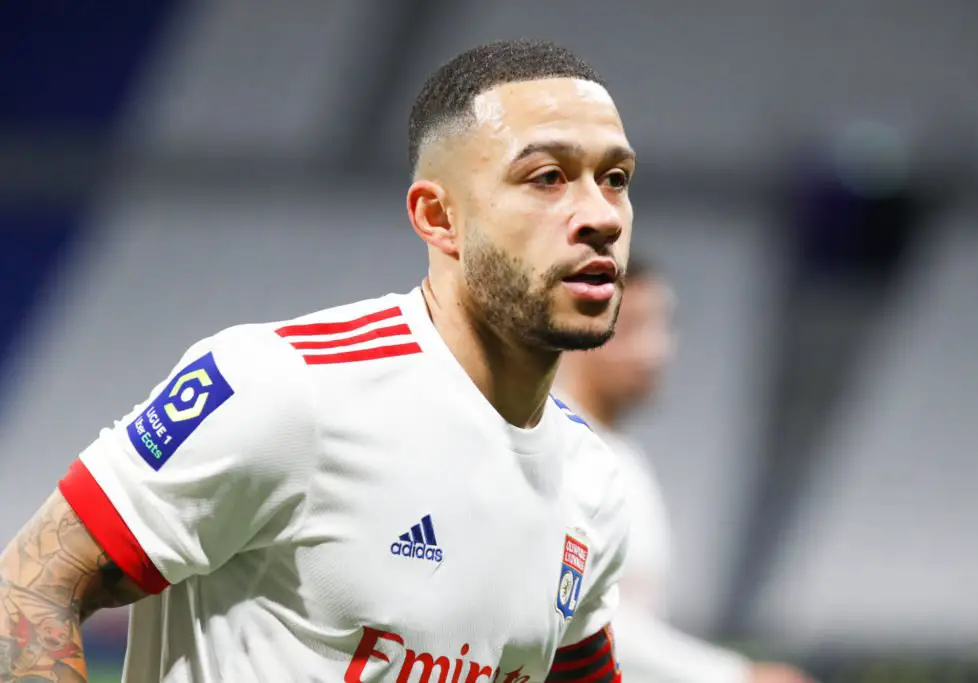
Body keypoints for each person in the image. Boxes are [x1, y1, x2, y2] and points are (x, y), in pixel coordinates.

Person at [0, 39, 637, 682]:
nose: (601, 216)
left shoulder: (591, 480)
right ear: (438, 217)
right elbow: (29, 586)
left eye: (615, 179)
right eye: (547, 177)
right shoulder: (284, 387)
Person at [557, 259, 814, 683]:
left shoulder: (623, 458)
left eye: (663, 325)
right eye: (630, 326)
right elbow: (577, 621)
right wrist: (736, 676)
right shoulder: (556, 451)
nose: (654, 349)